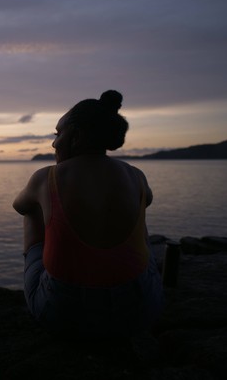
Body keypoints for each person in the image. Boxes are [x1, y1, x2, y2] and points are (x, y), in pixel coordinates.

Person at [13, 90, 163, 339]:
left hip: (64, 314)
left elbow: (19, 206)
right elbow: (147, 199)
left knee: (33, 210)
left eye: (58, 134)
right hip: (139, 310)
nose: (53, 144)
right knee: (138, 211)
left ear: (76, 135)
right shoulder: (135, 174)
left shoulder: (46, 177)